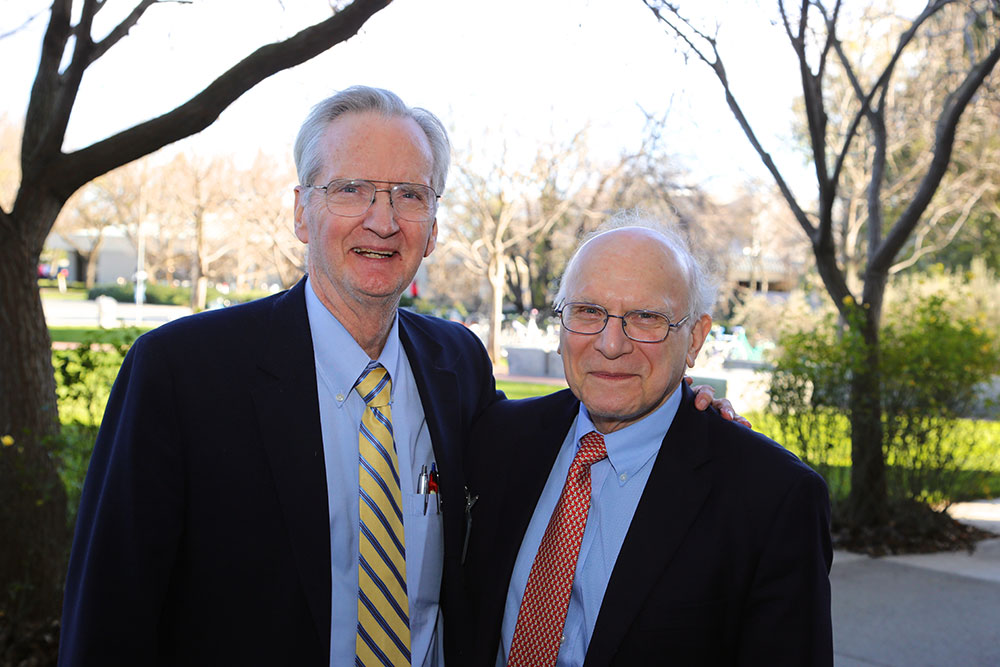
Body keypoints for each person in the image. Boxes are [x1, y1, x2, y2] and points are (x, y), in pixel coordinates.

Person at [58, 87, 745, 666]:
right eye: (351, 189)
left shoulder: (457, 365)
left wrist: (678, 409)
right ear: (301, 211)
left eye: (410, 195)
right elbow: (109, 614)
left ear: (434, 224)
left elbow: (558, 437)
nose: (382, 221)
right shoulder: (181, 374)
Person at [462, 212, 833, 666]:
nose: (611, 343)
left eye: (646, 317)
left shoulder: (773, 499)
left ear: (695, 338)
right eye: (588, 311)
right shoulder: (498, 439)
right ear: (560, 325)